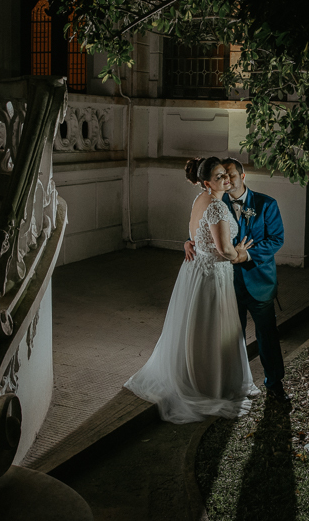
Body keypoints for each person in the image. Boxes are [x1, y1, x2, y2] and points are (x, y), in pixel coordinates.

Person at [124, 156, 259, 423]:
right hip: (212, 275)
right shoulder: (217, 208)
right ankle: (209, 385)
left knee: (198, 327)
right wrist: (241, 252)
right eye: (220, 176)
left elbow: (199, 236)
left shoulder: (200, 200)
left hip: (197, 270)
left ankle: (193, 375)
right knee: (212, 328)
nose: (226, 179)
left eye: (226, 174)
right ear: (207, 182)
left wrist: (192, 243)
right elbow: (224, 250)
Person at [185, 157, 289, 405]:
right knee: (232, 336)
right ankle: (234, 382)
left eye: (231, 175)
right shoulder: (216, 201)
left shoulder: (266, 204)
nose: (227, 180)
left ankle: (275, 384)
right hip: (227, 283)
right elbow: (204, 229)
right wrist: (189, 242)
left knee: (267, 336)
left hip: (259, 281)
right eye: (223, 175)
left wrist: (248, 254)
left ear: (243, 177)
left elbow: (276, 239)